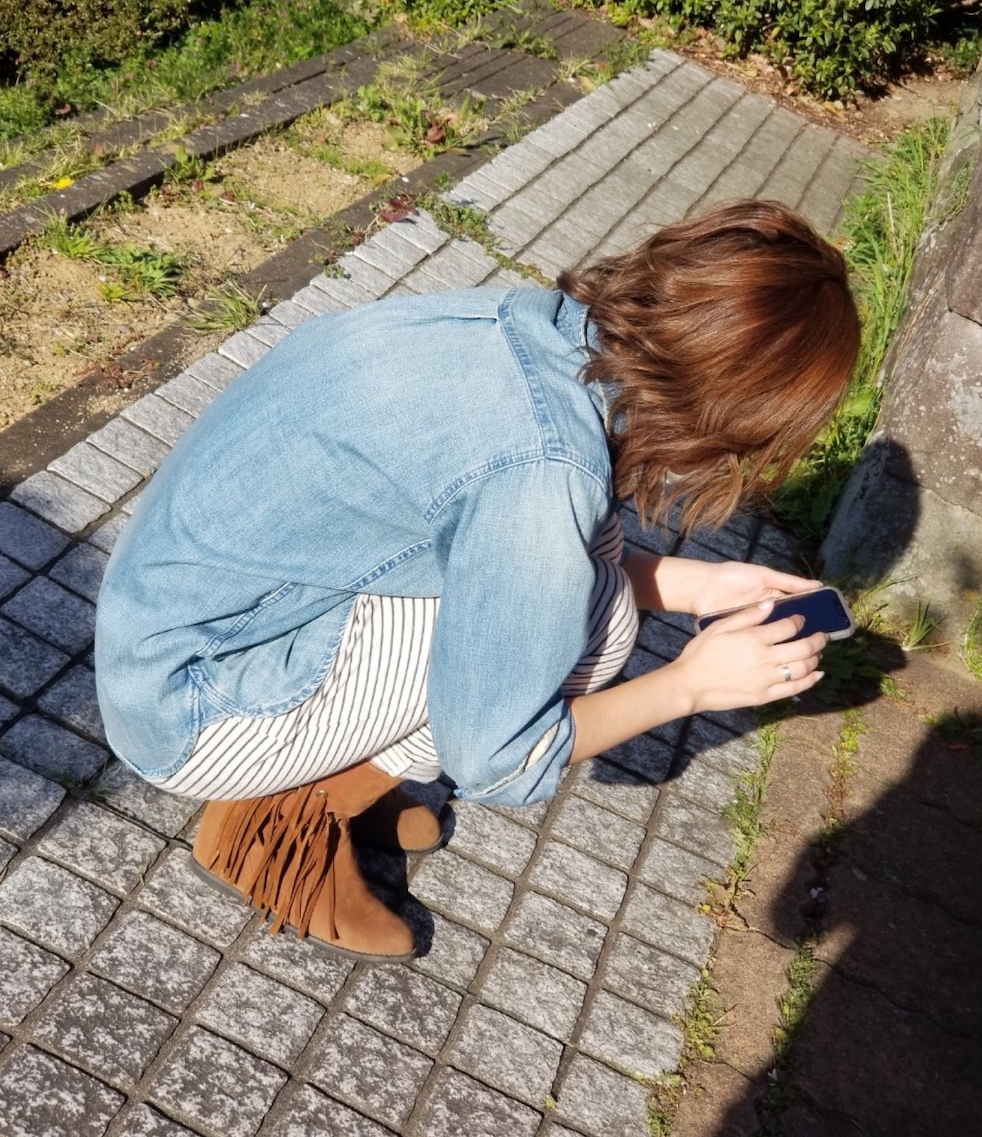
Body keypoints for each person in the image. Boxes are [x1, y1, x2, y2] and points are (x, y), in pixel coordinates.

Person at [95, 199, 860, 962]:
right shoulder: (547, 472)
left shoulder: (531, 327)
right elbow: (500, 760)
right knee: (598, 622)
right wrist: (690, 685)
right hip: (188, 710)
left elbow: (513, 535)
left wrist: (701, 586)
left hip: (178, 623)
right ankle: (273, 835)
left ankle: (342, 771)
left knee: (581, 582)